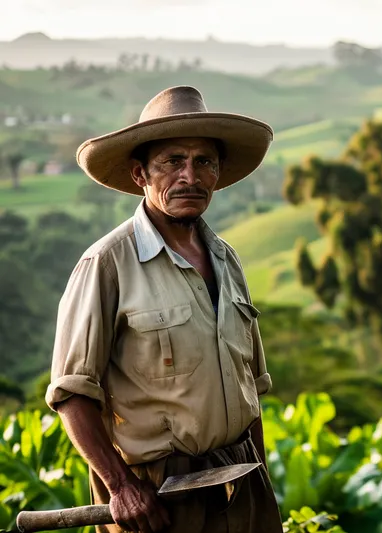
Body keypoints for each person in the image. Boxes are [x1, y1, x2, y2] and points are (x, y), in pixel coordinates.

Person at [45, 86, 283, 533]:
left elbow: (251, 391)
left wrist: (263, 482)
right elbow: (72, 393)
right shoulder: (107, 263)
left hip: (240, 480)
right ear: (141, 175)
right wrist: (120, 488)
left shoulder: (227, 259)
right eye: (173, 161)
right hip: (156, 496)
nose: (189, 176)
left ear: (217, 173)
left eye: (204, 162)